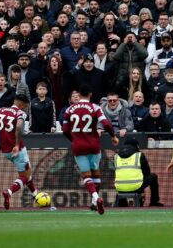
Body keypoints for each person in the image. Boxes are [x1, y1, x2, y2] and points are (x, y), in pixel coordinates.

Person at [62, 84, 119, 215]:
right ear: (90, 94)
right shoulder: (95, 107)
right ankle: (94, 203)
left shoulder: (69, 109)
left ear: (79, 94)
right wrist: (113, 136)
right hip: (93, 145)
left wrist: (74, 140)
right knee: (96, 173)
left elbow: (65, 130)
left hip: (78, 145)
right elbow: (106, 124)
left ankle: (95, 198)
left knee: (86, 175)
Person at [114, 137, 164, 207]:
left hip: (120, 187)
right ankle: (154, 202)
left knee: (123, 179)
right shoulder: (139, 155)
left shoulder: (116, 156)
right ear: (136, 146)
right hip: (136, 186)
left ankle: (122, 203)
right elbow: (147, 172)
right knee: (153, 176)